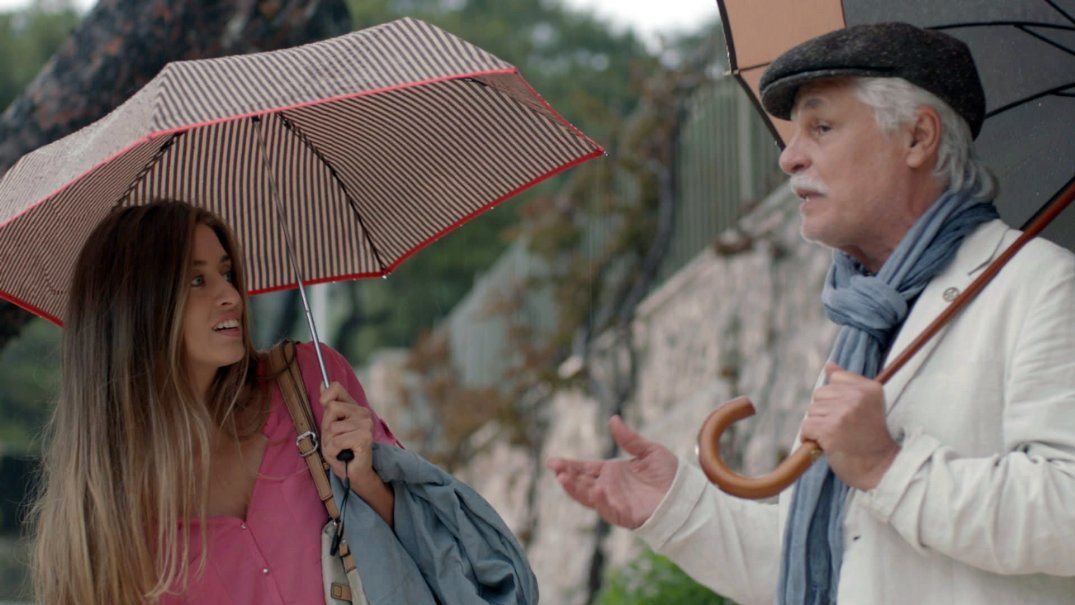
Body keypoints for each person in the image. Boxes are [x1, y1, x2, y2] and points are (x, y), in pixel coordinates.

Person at [548, 22, 1075, 605]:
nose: (789, 158)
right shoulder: (870, 321)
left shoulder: (1041, 286)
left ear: (917, 138)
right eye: (793, 135)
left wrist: (887, 467)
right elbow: (830, 560)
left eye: (821, 128)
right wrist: (676, 509)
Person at [29, 200, 401, 603]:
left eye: (226, 273)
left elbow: (423, 542)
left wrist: (365, 480)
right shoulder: (105, 511)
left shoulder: (313, 384)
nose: (231, 296)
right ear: (134, 309)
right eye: (196, 280)